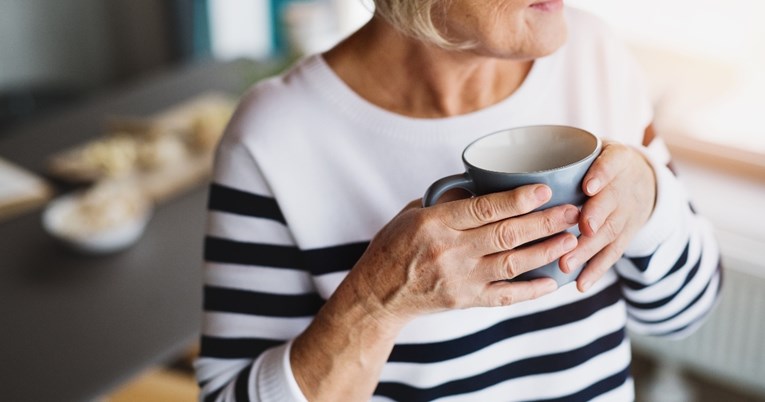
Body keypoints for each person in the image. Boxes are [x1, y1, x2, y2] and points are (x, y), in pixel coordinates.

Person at [194, 1, 722, 401]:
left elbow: (684, 314)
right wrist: (376, 302)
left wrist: (652, 198)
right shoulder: (274, 137)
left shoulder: (592, 54)